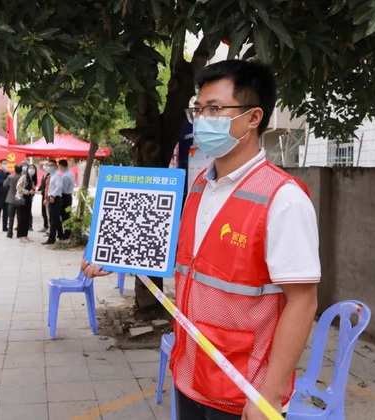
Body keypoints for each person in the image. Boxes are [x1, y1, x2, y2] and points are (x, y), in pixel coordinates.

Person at [83, 60, 320, 420]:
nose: (202, 120)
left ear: (253, 117)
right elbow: (183, 256)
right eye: (198, 109)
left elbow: (302, 302)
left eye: (214, 108)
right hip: (190, 375)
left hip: (244, 389)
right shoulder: (200, 186)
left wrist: (268, 397)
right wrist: (113, 255)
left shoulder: (283, 198)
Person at [43, 159, 64, 245]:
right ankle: (60, 234)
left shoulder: (57, 175)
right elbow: (48, 188)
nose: (49, 167)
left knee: (53, 219)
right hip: (51, 198)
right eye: (48, 165)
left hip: (55, 198)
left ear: (56, 166)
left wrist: (53, 195)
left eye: (51, 165)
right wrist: (47, 198)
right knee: (55, 218)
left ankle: (51, 239)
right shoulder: (51, 176)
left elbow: (59, 186)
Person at [16, 163, 37, 243]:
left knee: (27, 218)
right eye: (30, 168)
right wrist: (28, 192)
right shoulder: (23, 177)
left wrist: (34, 192)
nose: (32, 170)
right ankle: (21, 236)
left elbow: (32, 190)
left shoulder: (32, 179)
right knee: (22, 218)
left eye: (33, 168)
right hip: (22, 199)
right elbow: (18, 187)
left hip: (28, 200)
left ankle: (25, 235)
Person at [3, 164, 22, 238]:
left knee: (11, 217)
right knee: (19, 217)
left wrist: (10, 187)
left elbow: (4, 184)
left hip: (11, 198)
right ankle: (19, 233)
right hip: (20, 198)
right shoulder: (23, 177)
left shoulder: (10, 177)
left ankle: (10, 233)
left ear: (15, 169)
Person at [59, 159, 75, 240]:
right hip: (69, 196)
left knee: (65, 216)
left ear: (62, 166)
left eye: (59, 166)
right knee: (67, 215)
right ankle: (68, 233)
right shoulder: (70, 173)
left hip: (65, 197)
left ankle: (67, 233)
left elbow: (64, 189)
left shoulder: (65, 176)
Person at [37, 167, 50, 232]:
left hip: (47, 196)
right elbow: (42, 185)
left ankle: (48, 226)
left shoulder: (49, 176)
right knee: (43, 211)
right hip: (43, 195)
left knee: (47, 212)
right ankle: (45, 225)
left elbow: (48, 187)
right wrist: (38, 190)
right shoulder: (44, 175)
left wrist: (42, 191)